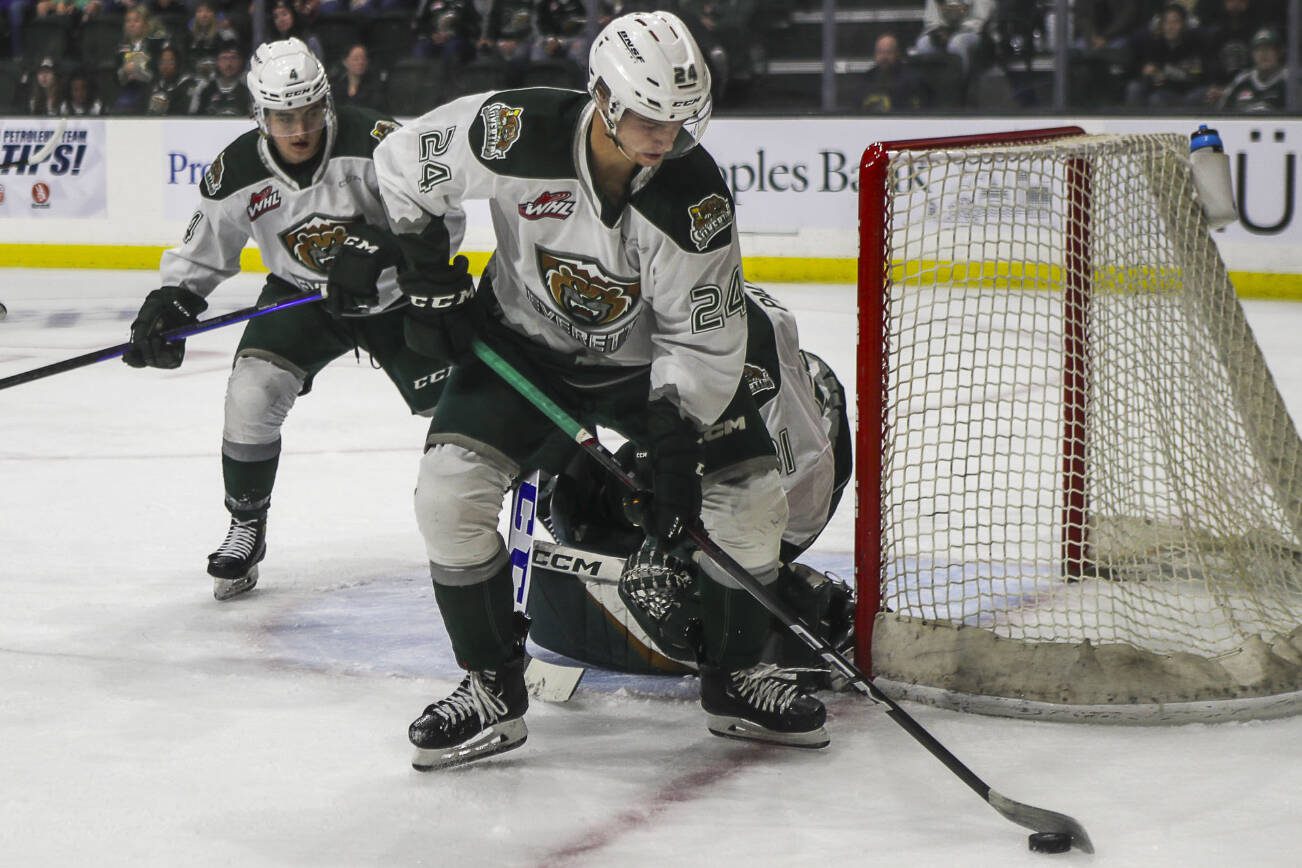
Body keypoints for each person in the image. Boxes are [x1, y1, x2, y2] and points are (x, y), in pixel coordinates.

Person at [337, 9, 827, 771]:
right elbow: (404, 160)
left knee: (752, 495)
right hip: (523, 352)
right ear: (601, 96)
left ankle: (735, 679)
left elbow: (703, 335)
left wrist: (673, 430)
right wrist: (426, 269)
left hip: (647, 368)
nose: (664, 139)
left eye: (678, 120)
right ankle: (492, 687)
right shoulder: (515, 131)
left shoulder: (692, 196)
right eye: (646, 118)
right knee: (448, 497)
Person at [121, 37, 451, 602]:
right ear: (260, 115)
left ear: (326, 103)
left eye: (307, 114)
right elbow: (202, 252)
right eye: (281, 117)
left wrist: (383, 250)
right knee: (251, 394)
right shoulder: (237, 170)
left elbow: (441, 221)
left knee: (456, 409)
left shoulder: (380, 142)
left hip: (395, 301)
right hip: (300, 298)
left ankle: (542, 500)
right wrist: (170, 303)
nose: (297, 130)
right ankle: (247, 522)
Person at [529, 282, 854, 680]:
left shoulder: (711, 329)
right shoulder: (676, 291)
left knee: (662, 585)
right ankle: (732, 583)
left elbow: (711, 433)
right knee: (576, 511)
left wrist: (670, 545)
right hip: (741, 433)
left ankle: (803, 610)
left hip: (790, 483)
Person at [1125, 3, 1214, 107]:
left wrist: (1167, 76)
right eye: (1166, 22)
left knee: (1159, 98)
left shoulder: (1194, 44)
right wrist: (1149, 74)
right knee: (1137, 89)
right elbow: (1147, 76)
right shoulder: (1155, 45)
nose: (1170, 27)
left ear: (1184, 24)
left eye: (1175, 22)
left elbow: (1197, 78)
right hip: (1163, 92)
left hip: (1188, 93)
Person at [849, 31, 930, 112]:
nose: (884, 57)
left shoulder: (914, 80)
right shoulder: (865, 80)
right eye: (880, 52)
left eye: (888, 52)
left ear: (897, 54)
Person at [914, 0, 995, 76]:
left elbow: (980, 20)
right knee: (924, 43)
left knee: (957, 42)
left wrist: (953, 32)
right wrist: (937, 31)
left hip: (976, 33)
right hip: (945, 30)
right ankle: (930, 86)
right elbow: (931, 21)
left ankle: (957, 85)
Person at [1217, 26, 1287, 111]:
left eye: (1268, 49)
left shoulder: (1289, 81)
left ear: (1279, 53)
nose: (1263, 54)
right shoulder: (1242, 81)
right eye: (1259, 50)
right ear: (1252, 54)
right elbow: (1222, 112)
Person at [190, 41, 252, 115]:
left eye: (234, 58)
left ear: (241, 61)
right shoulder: (204, 88)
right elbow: (193, 118)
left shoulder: (250, 88)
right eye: (224, 58)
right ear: (217, 62)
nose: (229, 64)